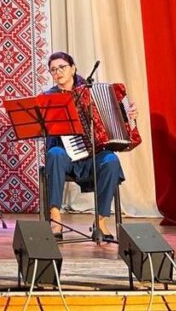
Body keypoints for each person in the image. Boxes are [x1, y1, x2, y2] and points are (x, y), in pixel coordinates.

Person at [43, 51, 138, 240]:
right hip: (66, 155)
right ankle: (55, 218)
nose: (57, 72)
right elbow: (43, 130)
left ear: (73, 69)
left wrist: (128, 115)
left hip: (92, 154)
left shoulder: (90, 91)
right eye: (53, 70)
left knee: (111, 160)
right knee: (54, 153)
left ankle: (100, 221)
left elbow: (116, 118)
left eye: (62, 67)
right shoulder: (48, 97)